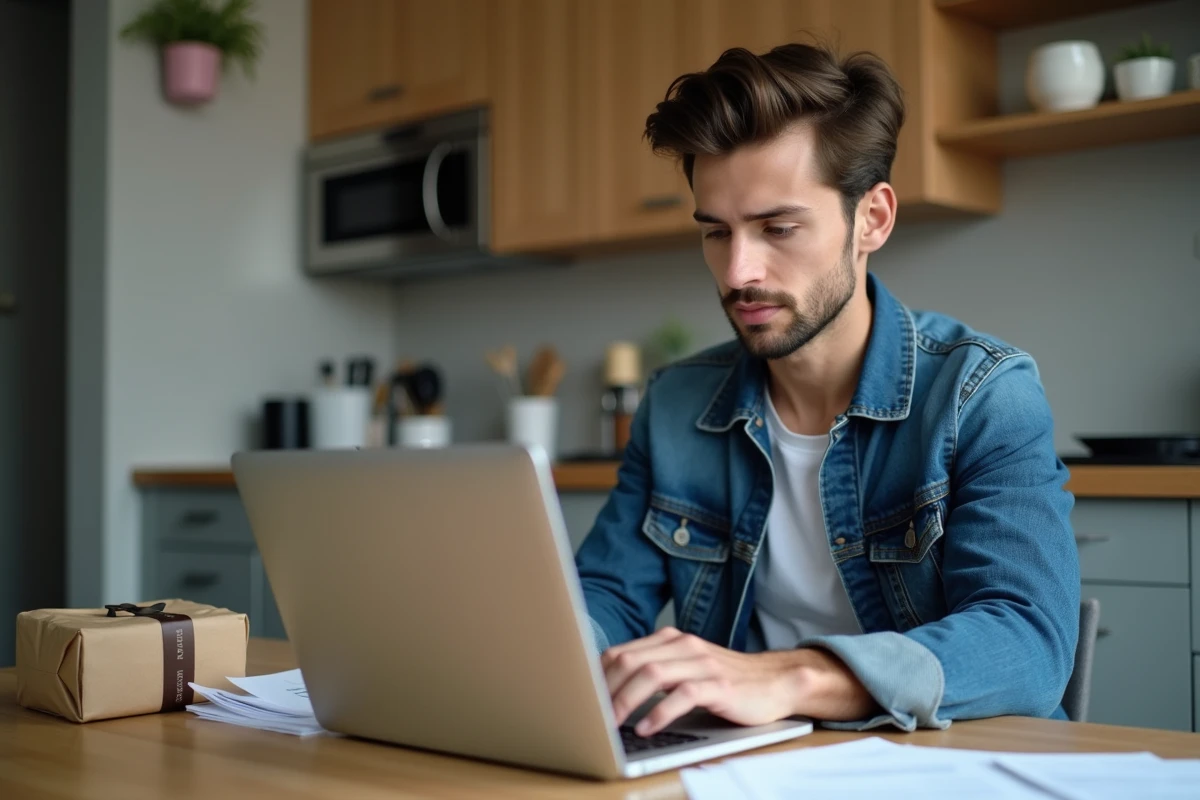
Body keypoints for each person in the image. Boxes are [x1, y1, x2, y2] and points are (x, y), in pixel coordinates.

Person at [573, 42, 1079, 736]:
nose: (739, 270)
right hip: (757, 768)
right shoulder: (674, 406)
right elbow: (604, 596)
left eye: (778, 228)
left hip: (954, 767)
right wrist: (553, 654)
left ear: (871, 219)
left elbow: (1027, 642)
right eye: (716, 232)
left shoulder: (983, 394)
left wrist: (790, 676)